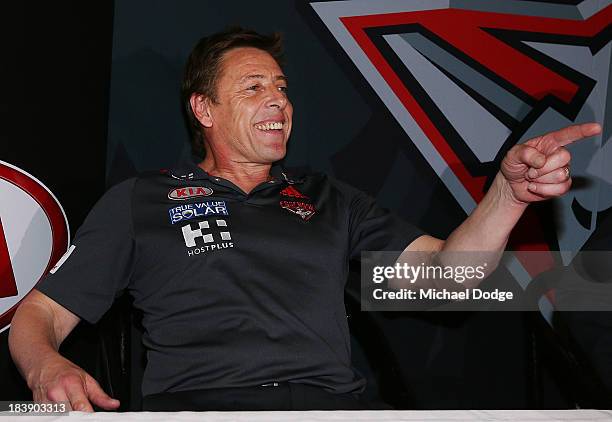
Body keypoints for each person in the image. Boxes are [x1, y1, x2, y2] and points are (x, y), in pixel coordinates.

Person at [8, 27, 601, 412]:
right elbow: (39, 314)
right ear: (203, 108)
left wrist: (507, 195)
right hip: (201, 408)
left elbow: (448, 282)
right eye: (254, 86)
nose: (280, 101)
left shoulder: (327, 198)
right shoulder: (141, 199)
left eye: (284, 88)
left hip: (326, 408)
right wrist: (47, 367)